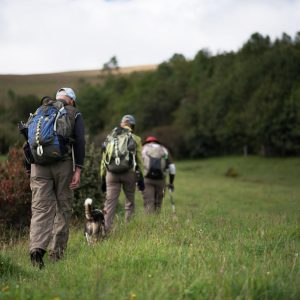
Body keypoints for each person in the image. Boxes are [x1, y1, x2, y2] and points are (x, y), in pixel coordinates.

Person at [29, 87, 85, 268]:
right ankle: (56, 254)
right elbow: (80, 142)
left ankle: (36, 249)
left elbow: (28, 140)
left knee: (40, 209)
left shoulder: (40, 111)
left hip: (38, 165)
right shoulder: (73, 112)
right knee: (63, 208)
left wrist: (29, 168)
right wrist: (79, 169)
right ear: (71, 100)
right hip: (63, 165)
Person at [100, 114, 144, 233]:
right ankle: (128, 230)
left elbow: (104, 159)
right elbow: (139, 160)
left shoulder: (110, 137)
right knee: (130, 202)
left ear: (121, 124)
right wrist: (141, 178)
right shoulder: (136, 138)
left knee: (110, 203)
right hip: (129, 173)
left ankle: (106, 230)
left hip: (111, 174)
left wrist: (102, 177)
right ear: (132, 126)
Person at [141, 136, 176, 214]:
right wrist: (171, 182)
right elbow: (172, 168)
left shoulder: (143, 149)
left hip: (147, 180)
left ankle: (149, 224)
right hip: (161, 180)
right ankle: (156, 223)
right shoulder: (164, 149)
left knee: (149, 203)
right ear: (157, 142)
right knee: (158, 204)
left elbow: (137, 165)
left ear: (147, 142)